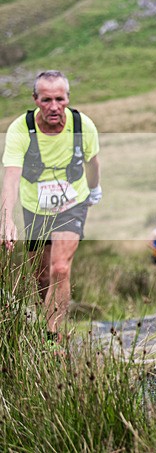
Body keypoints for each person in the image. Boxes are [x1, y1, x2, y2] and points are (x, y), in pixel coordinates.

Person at [1, 70, 102, 342]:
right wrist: (7, 219)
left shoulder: (83, 126)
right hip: (35, 208)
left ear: (68, 99)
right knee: (41, 277)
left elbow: (93, 163)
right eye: (46, 100)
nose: (54, 106)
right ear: (35, 99)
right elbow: (10, 177)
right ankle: (42, 323)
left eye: (60, 99)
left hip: (72, 203)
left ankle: (51, 339)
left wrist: (94, 189)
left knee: (60, 268)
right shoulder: (20, 130)